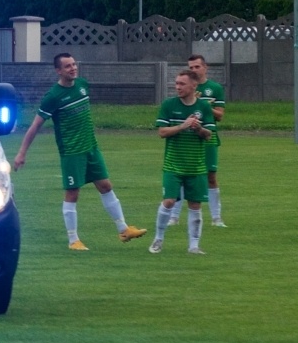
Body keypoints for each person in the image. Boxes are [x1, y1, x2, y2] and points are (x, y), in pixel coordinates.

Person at [12, 52, 147, 250]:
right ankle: (73, 240)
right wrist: (22, 152)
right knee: (72, 193)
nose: (73, 68)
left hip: (91, 147)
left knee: (105, 186)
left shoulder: (82, 85)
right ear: (58, 71)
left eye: (74, 64)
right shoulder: (53, 97)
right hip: (72, 152)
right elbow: (35, 126)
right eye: (67, 66)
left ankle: (123, 229)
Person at [149, 70, 216, 255]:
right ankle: (158, 239)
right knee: (169, 201)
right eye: (176, 83)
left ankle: (194, 246)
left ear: (194, 86)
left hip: (196, 166)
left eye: (182, 84)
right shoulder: (169, 105)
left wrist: (198, 128)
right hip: (173, 165)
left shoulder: (203, 107)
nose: (177, 87)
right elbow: (162, 132)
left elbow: (209, 135)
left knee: (195, 205)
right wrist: (182, 126)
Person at [186, 54, 227, 226]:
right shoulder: (186, 87)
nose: (194, 70)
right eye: (191, 67)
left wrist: (203, 104)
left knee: (211, 176)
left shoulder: (214, 88)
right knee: (184, 175)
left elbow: (220, 115)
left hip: (209, 137)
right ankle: (173, 216)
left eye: (197, 67)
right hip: (189, 138)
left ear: (205, 67)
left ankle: (216, 217)